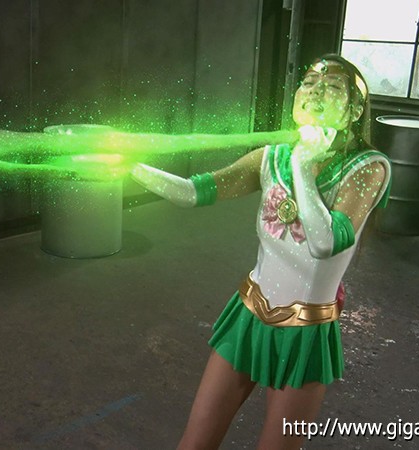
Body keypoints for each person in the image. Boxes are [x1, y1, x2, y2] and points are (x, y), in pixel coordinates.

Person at [130, 54, 391, 449]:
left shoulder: (369, 168)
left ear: (355, 110)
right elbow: (191, 192)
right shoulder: (271, 157)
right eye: (309, 83)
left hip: (305, 332)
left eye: (333, 87)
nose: (316, 92)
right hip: (248, 314)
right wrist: (128, 168)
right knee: (195, 442)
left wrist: (303, 166)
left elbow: (326, 242)